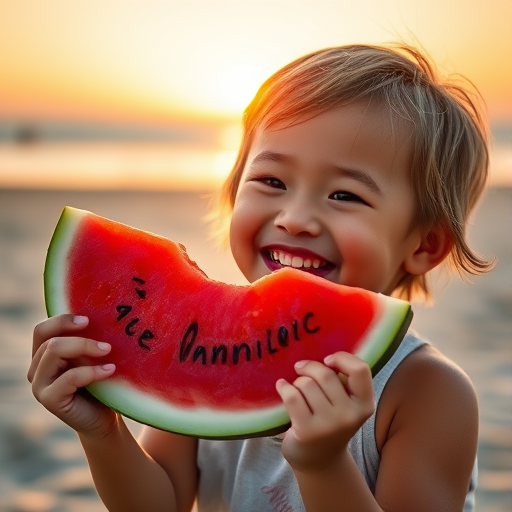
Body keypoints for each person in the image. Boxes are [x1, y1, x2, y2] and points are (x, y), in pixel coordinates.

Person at [28, 43, 493, 512]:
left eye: (344, 195)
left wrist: (321, 464)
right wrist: (102, 431)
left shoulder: (427, 391)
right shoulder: (193, 350)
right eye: (272, 181)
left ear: (423, 246)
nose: (294, 218)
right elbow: (159, 503)